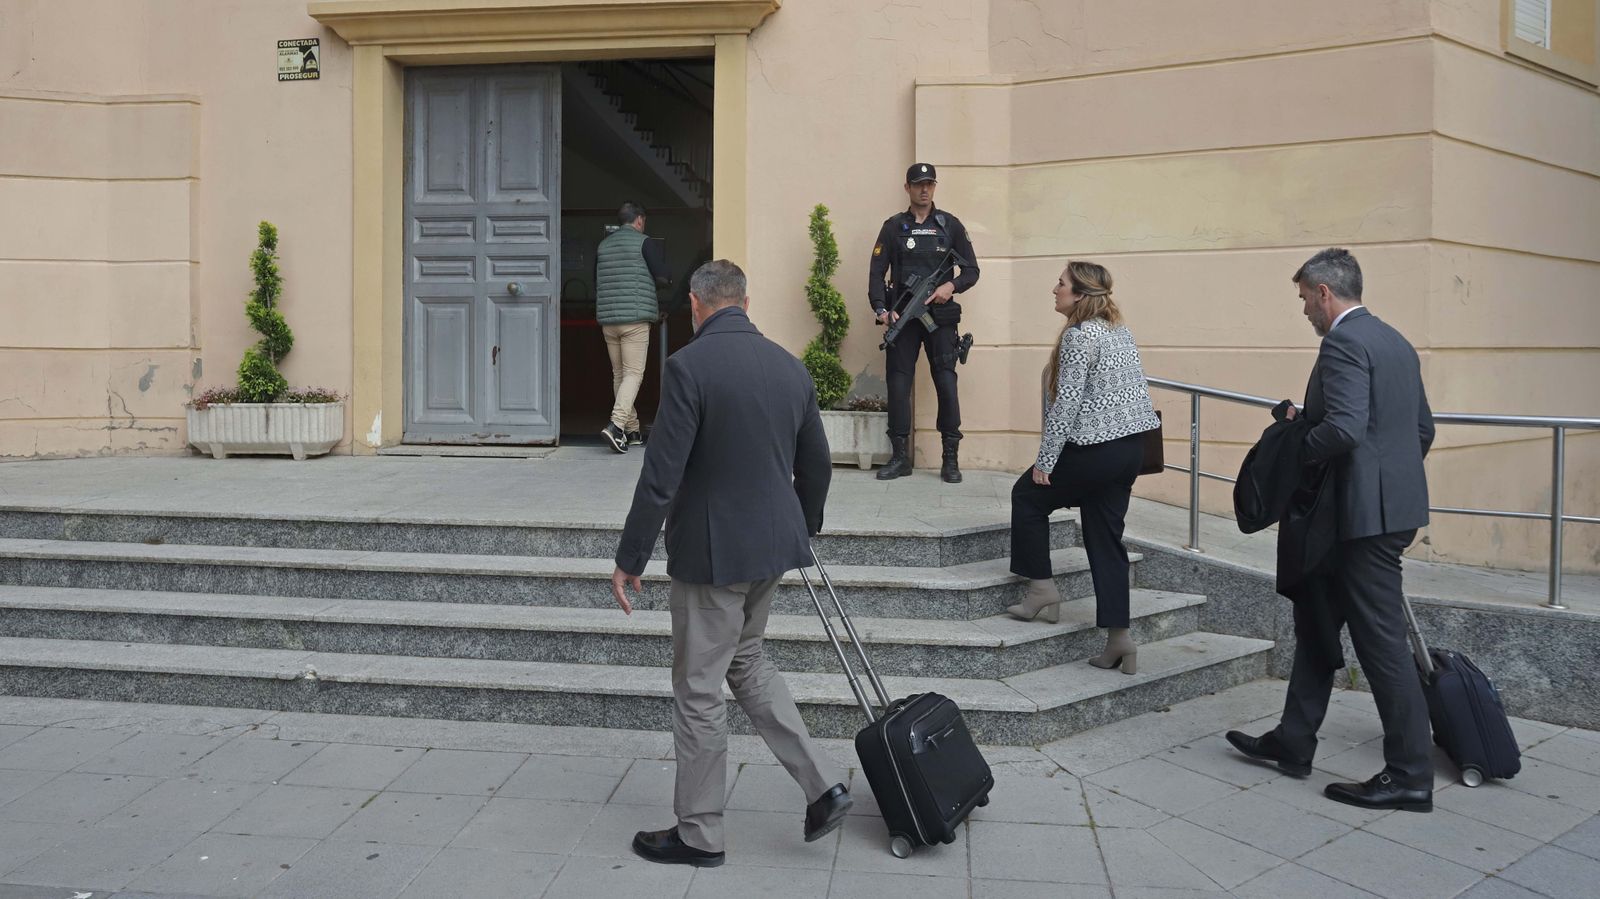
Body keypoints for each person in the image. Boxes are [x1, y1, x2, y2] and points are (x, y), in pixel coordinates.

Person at [610, 260, 851, 867]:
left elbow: (661, 473)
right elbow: (817, 464)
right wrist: (802, 526)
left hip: (713, 556)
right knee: (746, 660)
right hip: (773, 547)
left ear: (695, 304)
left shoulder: (688, 366)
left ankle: (699, 832)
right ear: (745, 302)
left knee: (699, 688)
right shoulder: (790, 367)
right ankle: (824, 785)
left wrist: (631, 556)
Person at [1226, 247, 1437, 813]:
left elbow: (1343, 429)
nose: (1304, 311)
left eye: (1304, 299)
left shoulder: (1342, 342)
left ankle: (1411, 775)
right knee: (1317, 620)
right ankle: (1293, 741)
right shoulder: (1395, 341)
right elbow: (1421, 430)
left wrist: (1295, 449)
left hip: (1359, 521)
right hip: (1378, 513)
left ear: (1324, 292)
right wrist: (1381, 481)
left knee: (1381, 643)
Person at [1005, 261, 1161, 676]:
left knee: (1027, 497)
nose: (1054, 289)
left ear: (1078, 294)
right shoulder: (1118, 330)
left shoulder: (1078, 336)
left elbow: (1067, 404)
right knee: (1105, 539)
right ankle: (1119, 638)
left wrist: (1046, 460)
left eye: (1061, 284)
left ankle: (1041, 588)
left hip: (1095, 448)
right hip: (1131, 450)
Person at [868, 162, 979, 483]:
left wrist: (950, 286)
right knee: (898, 385)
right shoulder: (893, 227)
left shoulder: (950, 226)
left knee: (946, 383)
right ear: (908, 188)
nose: (924, 189)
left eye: (929, 183)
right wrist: (881, 310)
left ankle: (950, 459)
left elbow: (971, 270)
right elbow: (876, 272)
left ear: (934, 187)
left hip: (939, 320)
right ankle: (900, 457)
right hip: (903, 317)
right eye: (918, 184)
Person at [595, 201, 669, 453]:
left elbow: (596, 279)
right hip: (635, 320)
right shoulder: (644, 242)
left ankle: (632, 430)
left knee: (619, 374)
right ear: (639, 220)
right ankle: (616, 425)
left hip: (609, 320)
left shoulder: (603, 246)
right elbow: (662, 275)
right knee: (633, 374)